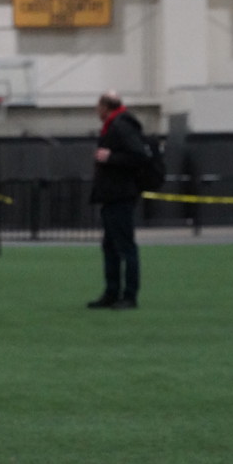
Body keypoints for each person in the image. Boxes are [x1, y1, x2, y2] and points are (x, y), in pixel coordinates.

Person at [88, 91, 146, 310]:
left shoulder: (121, 126)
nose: (96, 110)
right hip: (113, 195)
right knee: (111, 246)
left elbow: (139, 155)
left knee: (125, 247)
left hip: (120, 195)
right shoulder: (116, 125)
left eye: (98, 106)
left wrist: (110, 157)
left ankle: (129, 296)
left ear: (105, 107)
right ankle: (111, 293)